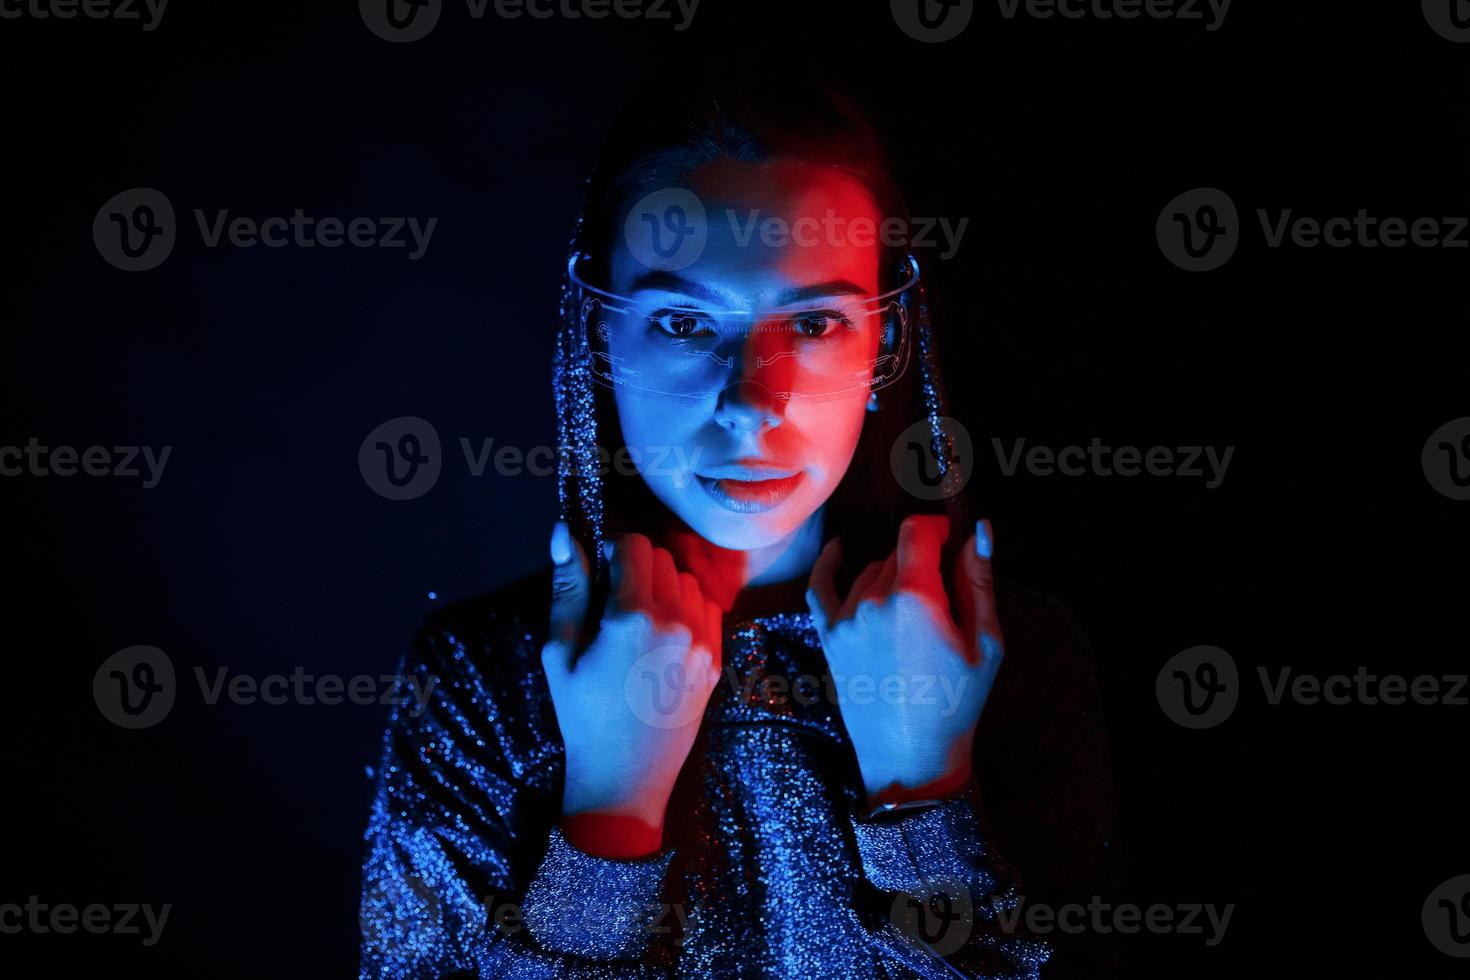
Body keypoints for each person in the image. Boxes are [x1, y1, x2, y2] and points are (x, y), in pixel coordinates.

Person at [360, 58, 1114, 979]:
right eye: (682, 323)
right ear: (599, 332)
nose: (752, 404)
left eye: (814, 325)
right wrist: (610, 811)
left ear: (888, 336)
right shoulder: (478, 684)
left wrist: (926, 790)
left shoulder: (1015, 657)